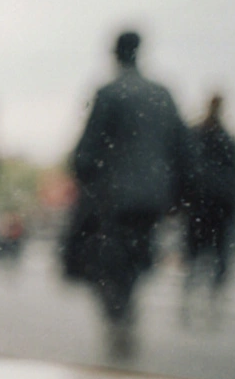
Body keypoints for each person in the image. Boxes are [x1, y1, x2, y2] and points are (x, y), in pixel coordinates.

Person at [64, 31, 189, 359]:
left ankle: (118, 312)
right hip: (152, 195)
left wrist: (83, 176)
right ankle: (125, 306)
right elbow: (182, 148)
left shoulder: (109, 92)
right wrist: (175, 193)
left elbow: (87, 151)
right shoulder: (163, 93)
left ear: (115, 53)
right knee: (136, 255)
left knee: (109, 259)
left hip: (113, 194)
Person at [180, 93, 235, 322]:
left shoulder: (197, 136)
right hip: (215, 207)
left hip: (203, 206)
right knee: (212, 260)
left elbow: (186, 170)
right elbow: (234, 175)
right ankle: (206, 305)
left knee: (198, 259)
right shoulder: (225, 139)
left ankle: (191, 303)